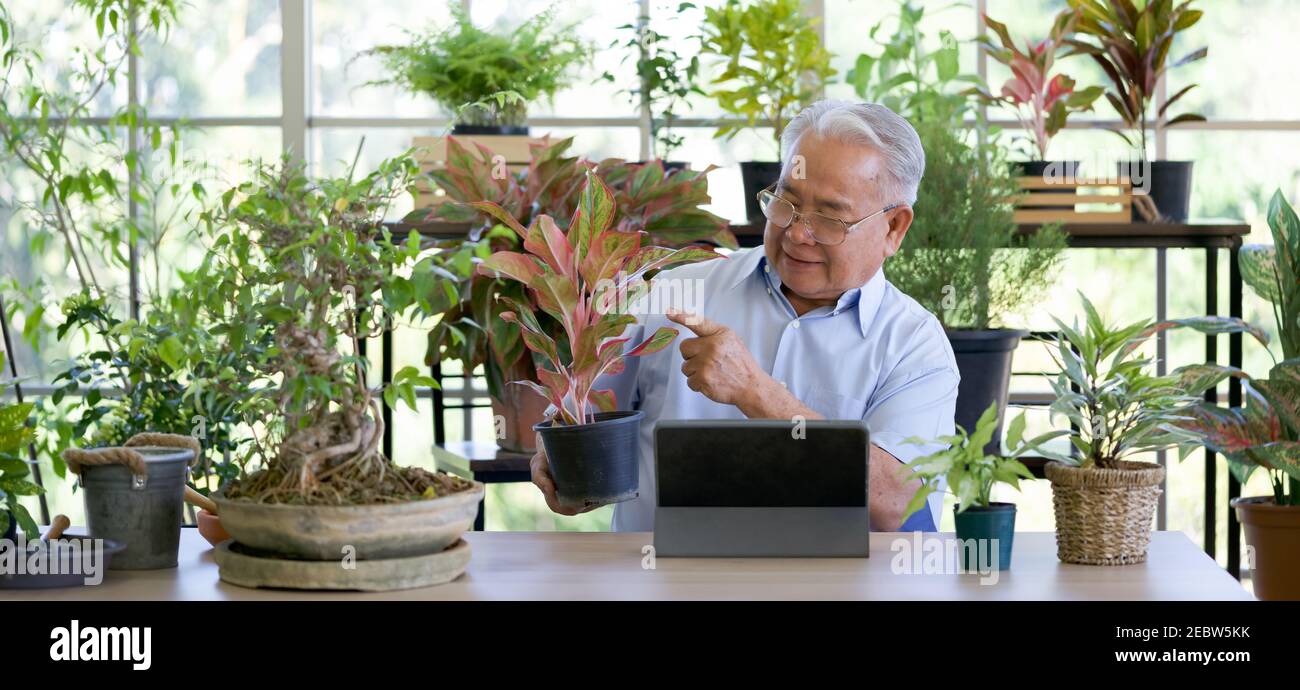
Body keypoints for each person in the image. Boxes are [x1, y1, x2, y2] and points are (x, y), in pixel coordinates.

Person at [531, 99, 959, 532]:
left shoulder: (915, 345)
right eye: (785, 203)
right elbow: (581, 416)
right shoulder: (673, 294)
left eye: (828, 218)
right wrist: (559, 454)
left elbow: (899, 504)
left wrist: (758, 394)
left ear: (894, 228)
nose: (795, 233)